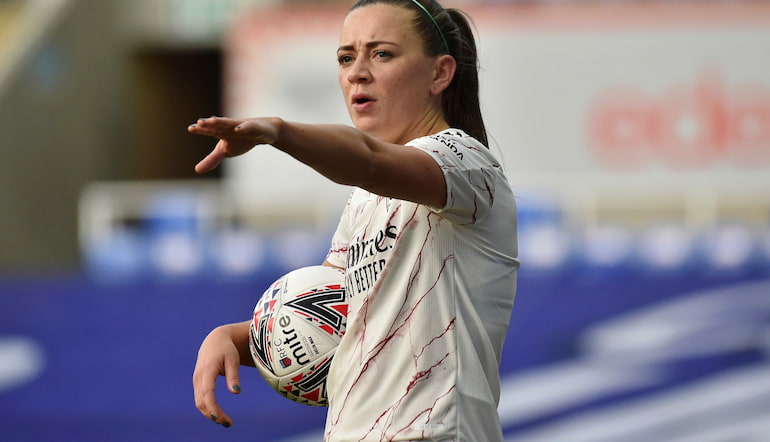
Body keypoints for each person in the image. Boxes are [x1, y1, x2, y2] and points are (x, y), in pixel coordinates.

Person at [189, 0, 519, 439]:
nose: (357, 73)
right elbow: (337, 318)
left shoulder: (465, 164)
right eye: (346, 58)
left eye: (381, 53)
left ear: (440, 73)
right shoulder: (365, 198)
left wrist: (280, 132)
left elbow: (368, 161)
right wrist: (235, 338)